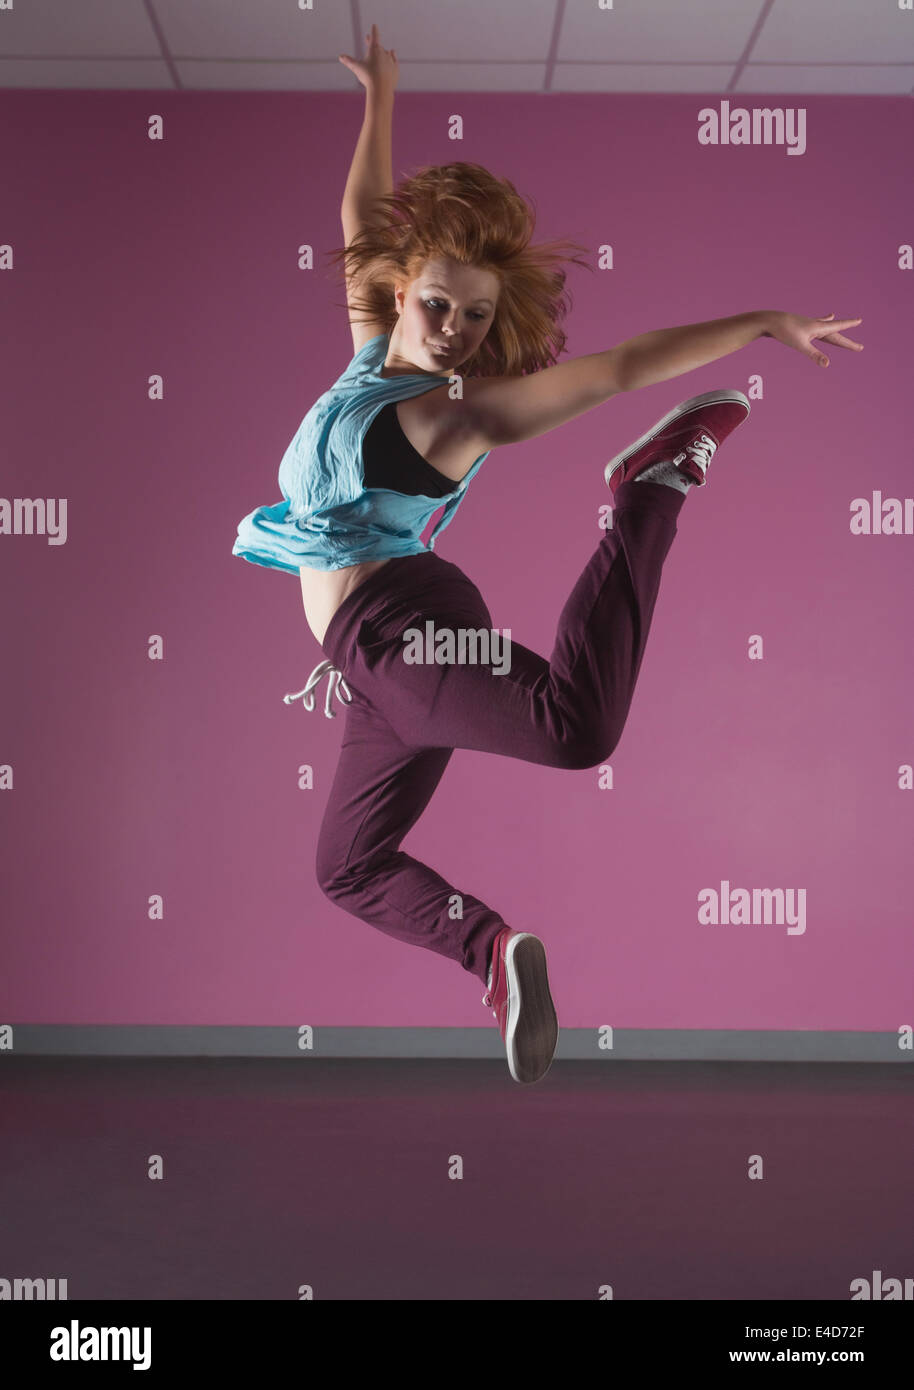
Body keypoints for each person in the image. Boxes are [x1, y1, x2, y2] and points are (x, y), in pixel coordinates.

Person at [232, 24, 864, 1086]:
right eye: (436, 303)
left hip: (405, 629)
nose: (453, 330)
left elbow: (616, 368)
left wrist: (759, 322)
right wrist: (380, 101)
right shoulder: (364, 358)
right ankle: (491, 951)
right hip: (371, 667)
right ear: (396, 291)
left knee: (577, 731)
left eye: (476, 318)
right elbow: (359, 220)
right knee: (344, 866)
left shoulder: (455, 416)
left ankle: (647, 494)